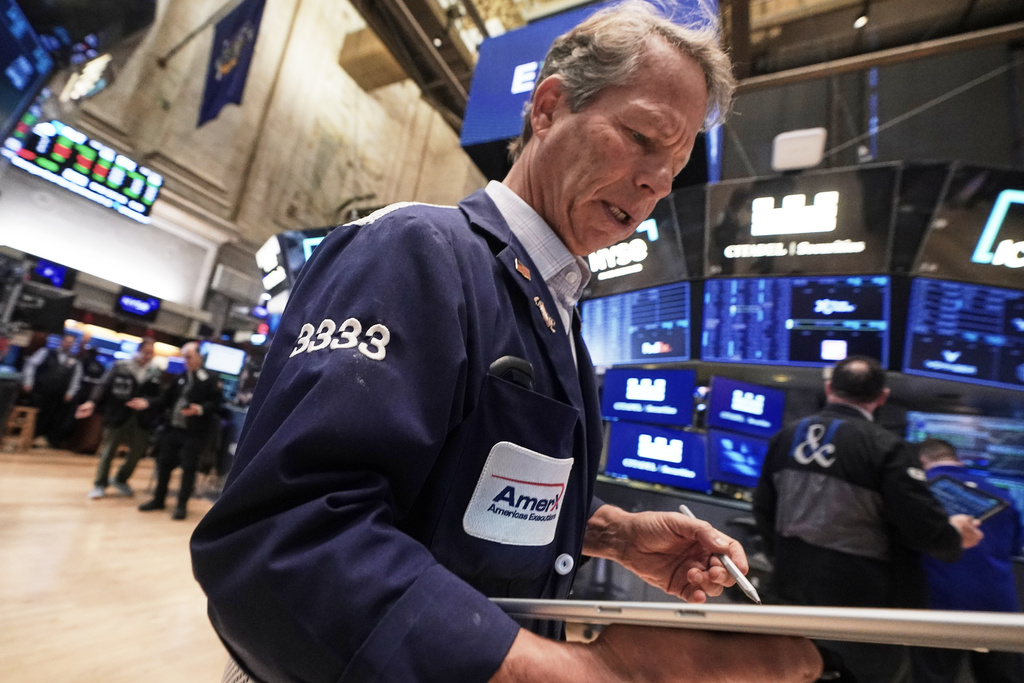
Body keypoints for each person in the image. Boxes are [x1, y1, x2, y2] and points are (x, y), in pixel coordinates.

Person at [190, 3, 825, 683]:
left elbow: (455, 496)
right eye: (642, 136)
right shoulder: (417, 251)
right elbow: (288, 541)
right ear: (548, 109)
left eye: (673, 166)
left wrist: (611, 533)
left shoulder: (556, 314)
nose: (655, 184)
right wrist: (594, 673)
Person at [753, 355, 984, 683]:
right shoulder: (887, 448)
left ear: (830, 388)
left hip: (793, 596)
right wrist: (955, 535)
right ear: (882, 397)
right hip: (864, 612)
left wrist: (787, 564)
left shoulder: (786, 437)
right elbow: (923, 529)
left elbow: (763, 511)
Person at [910, 438, 1024, 683]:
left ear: (921, 461)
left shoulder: (917, 495)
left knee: (934, 677)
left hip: (937, 604)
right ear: (957, 459)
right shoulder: (1002, 495)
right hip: (998, 607)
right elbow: (1015, 548)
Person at [138, 341, 223, 520]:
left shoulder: (211, 379)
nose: (186, 361)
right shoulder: (181, 377)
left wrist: (199, 409)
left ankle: (181, 505)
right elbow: (166, 399)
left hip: (193, 433)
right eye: (184, 357)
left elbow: (215, 404)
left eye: (189, 357)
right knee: (164, 465)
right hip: (173, 430)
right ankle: (159, 499)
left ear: (199, 357)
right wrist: (147, 403)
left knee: (188, 469)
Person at [77, 338, 162, 499]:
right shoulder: (121, 366)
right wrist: (92, 402)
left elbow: (159, 396)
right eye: (146, 352)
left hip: (141, 419)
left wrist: (147, 402)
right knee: (108, 451)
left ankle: (120, 479)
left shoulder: (155, 371)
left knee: (137, 452)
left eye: (151, 353)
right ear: (138, 351)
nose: (148, 356)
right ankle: (100, 484)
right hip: (117, 414)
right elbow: (103, 385)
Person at [21, 332, 82, 448]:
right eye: (67, 341)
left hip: (59, 394)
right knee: (37, 414)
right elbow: (31, 365)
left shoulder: (74, 360)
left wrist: (70, 392)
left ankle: (42, 439)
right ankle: (29, 437)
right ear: (61, 341)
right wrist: (28, 382)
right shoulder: (46, 352)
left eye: (71, 343)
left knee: (53, 417)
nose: (68, 344)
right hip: (41, 390)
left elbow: (76, 378)